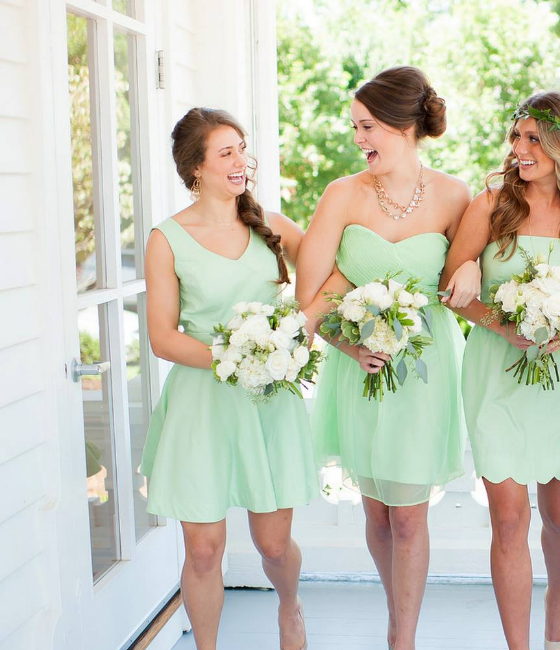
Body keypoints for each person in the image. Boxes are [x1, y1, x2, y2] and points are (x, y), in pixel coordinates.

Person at [295, 66, 478, 650]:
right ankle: (395, 609)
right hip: (360, 366)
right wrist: (350, 344)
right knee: (376, 515)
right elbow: (312, 292)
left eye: (367, 127)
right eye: (354, 128)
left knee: (409, 515)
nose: (358, 140)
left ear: (403, 126)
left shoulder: (454, 196)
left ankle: (403, 637)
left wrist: (470, 265)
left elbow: (467, 274)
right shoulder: (342, 194)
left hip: (426, 369)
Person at [142, 107, 317, 650]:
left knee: (272, 544)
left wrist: (300, 331)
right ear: (195, 168)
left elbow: (329, 278)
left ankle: (290, 605)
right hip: (202, 405)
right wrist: (233, 360)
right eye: (226, 153)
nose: (242, 161)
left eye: (242, 148)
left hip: (268, 403)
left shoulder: (273, 226)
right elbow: (163, 338)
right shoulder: (166, 239)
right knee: (202, 549)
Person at [439, 91, 560, 650]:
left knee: (558, 518)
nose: (520, 149)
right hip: (496, 372)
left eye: (535, 139)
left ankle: (556, 600)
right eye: (517, 136)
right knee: (508, 520)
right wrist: (503, 325)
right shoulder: (491, 204)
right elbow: (453, 291)